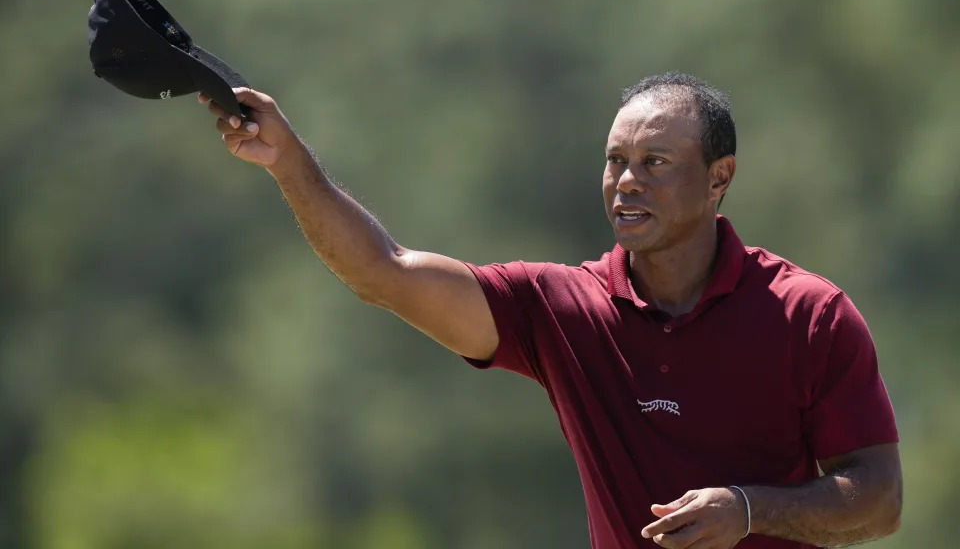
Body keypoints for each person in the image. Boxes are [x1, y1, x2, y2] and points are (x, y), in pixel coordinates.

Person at [201, 72, 902, 549]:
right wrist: (287, 162)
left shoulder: (810, 315)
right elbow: (383, 274)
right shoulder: (561, 308)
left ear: (720, 178)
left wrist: (749, 511)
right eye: (615, 161)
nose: (627, 182)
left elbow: (879, 498)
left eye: (656, 162)